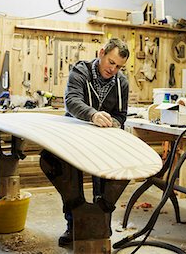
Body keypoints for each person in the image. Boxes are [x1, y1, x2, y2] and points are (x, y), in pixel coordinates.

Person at [59, 37, 130, 246]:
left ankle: (102, 223)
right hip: (75, 136)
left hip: (102, 139)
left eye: (118, 66)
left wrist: (114, 123)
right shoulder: (81, 71)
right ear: (101, 53)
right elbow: (71, 101)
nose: (113, 69)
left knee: (106, 179)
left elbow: (121, 115)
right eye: (111, 62)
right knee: (70, 180)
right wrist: (92, 115)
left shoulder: (122, 82)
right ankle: (72, 225)